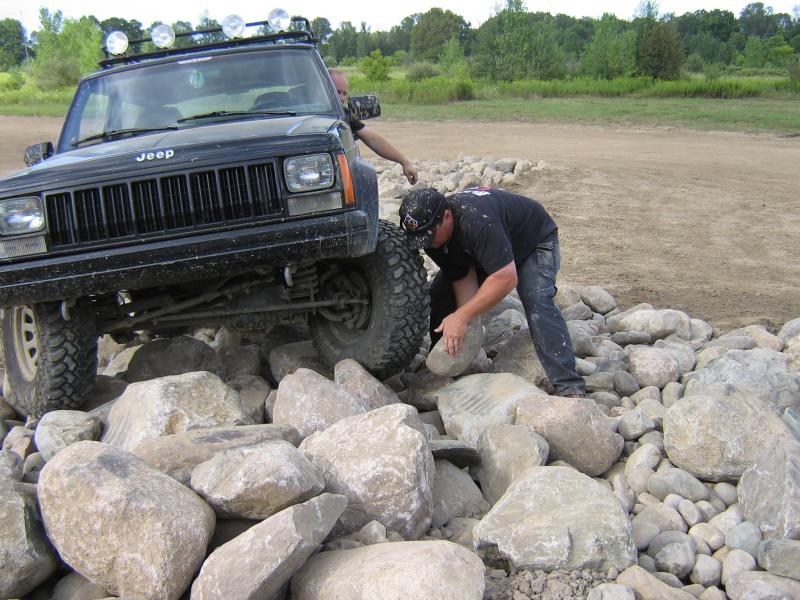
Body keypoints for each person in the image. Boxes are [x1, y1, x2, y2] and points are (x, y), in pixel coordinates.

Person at [399, 186, 586, 397]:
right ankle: (444, 365)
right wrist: (467, 323)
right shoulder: (431, 234)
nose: (427, 243)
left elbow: (506, 278)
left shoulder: (478, 221)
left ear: (447, 216)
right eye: (421, 238)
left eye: (429, 235)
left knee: (537, 301)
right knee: (441, 294)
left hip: (532, 243)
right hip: (486, 250)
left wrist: (461, 316)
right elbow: (461, 276)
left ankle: (569, 385)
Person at [329, 69, 418, 185]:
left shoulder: (343, 115)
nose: (341, 98)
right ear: (324, 89)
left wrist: (404, 162)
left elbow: (373, 139)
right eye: (337, 92)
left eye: (344, 93)